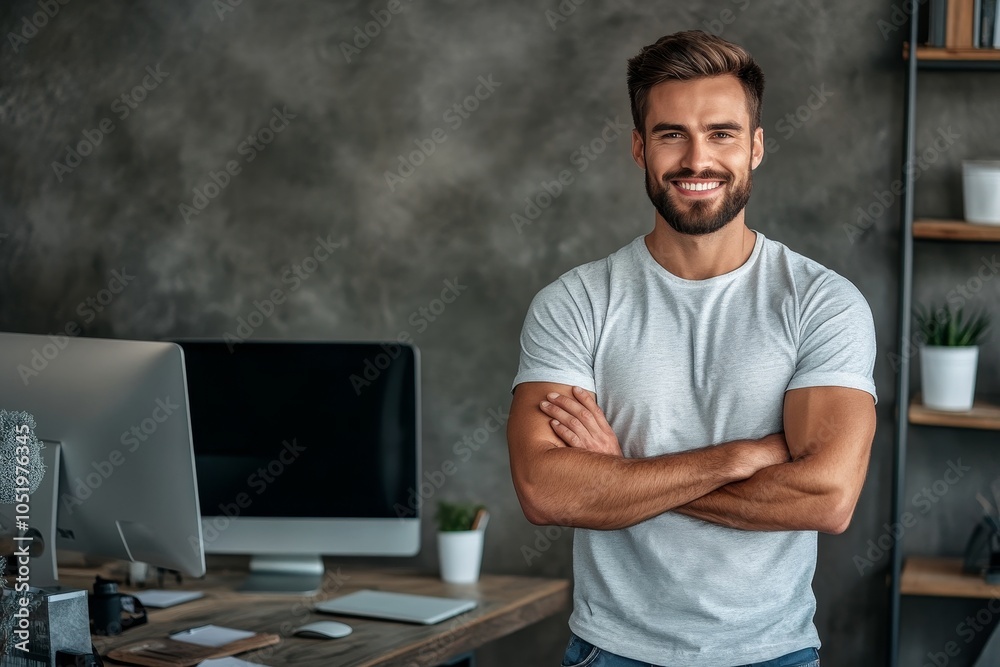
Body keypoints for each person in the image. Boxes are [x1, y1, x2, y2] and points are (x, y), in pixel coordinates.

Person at [507, 30, 877, 667]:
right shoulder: (575, 303)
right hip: (611, 653)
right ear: (638, 148)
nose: (696, 159)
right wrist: (742, 456)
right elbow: (545, 491)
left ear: (756, 147)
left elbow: (827, 497)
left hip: (773, 654)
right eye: (671, 133)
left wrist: (619, 477)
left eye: (722, 133)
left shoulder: (822, 301)